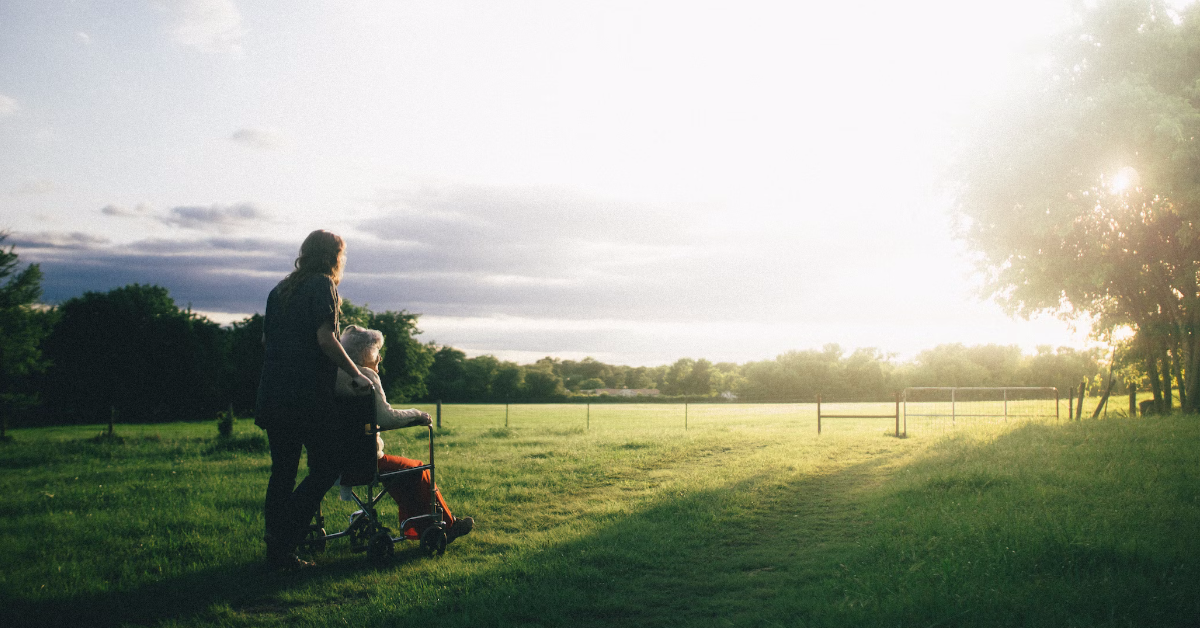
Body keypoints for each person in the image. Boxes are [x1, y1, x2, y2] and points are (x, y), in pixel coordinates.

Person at [255, 229, 373, 570]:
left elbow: (267, 341)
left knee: (283, 473)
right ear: (334, 256)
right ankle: (284, 538)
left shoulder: (279, 290)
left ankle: (278, 552)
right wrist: (356, 373)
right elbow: (326, 339)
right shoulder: (323, 285)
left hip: (273, 393)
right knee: (326, 467)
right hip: (304, 397)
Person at [334, 325, 473, 542]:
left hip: (336, 461)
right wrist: (417, 415)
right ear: (366, 353)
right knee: (418, 469)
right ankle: (447, 525)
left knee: (401, 473)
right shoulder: (366, 376)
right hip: (365, 461)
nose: (380, 357)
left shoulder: (334, 375)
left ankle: (419, 528)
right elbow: (386, 418)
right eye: (377, 351)